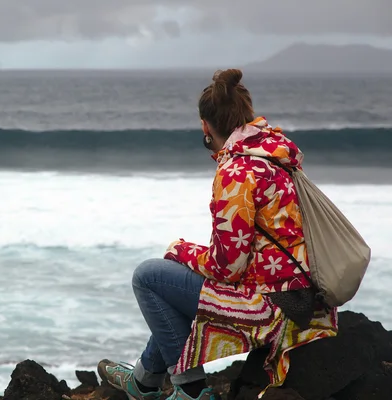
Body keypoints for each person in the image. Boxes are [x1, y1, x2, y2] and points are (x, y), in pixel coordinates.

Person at [97, 69, 338, 400]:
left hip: (270, 308)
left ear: (205, 126)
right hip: (303, 297)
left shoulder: (236, 172)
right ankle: (143, 382)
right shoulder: (276, 156)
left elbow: (227, 269)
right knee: (174, 281)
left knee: (149, 276)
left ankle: (190, 391)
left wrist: (181, 251)